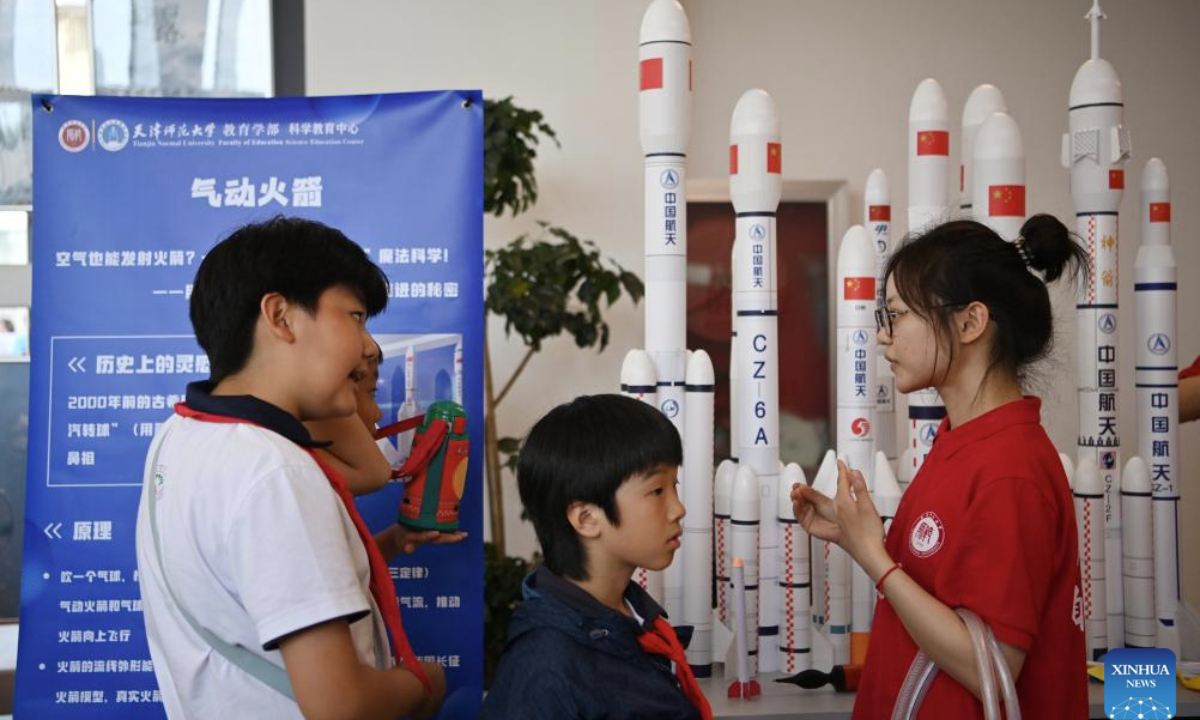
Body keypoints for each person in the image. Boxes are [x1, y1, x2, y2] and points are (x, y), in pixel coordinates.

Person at [135, 217, 444, 720]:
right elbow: (341, 707)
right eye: (356, 317)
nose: (368, 347)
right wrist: (423, 684)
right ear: (280, 315)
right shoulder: (274, 472)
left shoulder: (184, 434)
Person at [793, 215, 1089, 718]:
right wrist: (858, 535)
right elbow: (945, 589)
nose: (883, 338)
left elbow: (990, 667)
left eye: (897, 315)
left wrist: (874, 559)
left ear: (970, 323)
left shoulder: (1010, 469)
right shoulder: (961, 440)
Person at [480, 394, 712, 720]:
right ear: (587, 518)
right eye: (657, 491)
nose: (678, 509)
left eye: (674, 485)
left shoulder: (633, 620)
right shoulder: (546, 670)